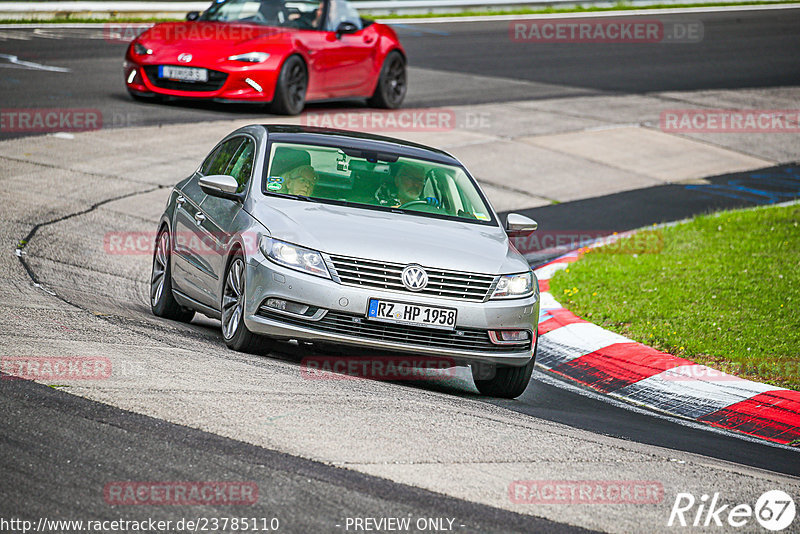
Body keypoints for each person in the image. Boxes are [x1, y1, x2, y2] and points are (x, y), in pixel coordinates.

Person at [374, 162, 440, 208]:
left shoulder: (425, 205)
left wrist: (430, 208)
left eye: (420, 180)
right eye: (411, 179)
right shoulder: (378, 203)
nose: (416, 184)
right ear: (397, 180)